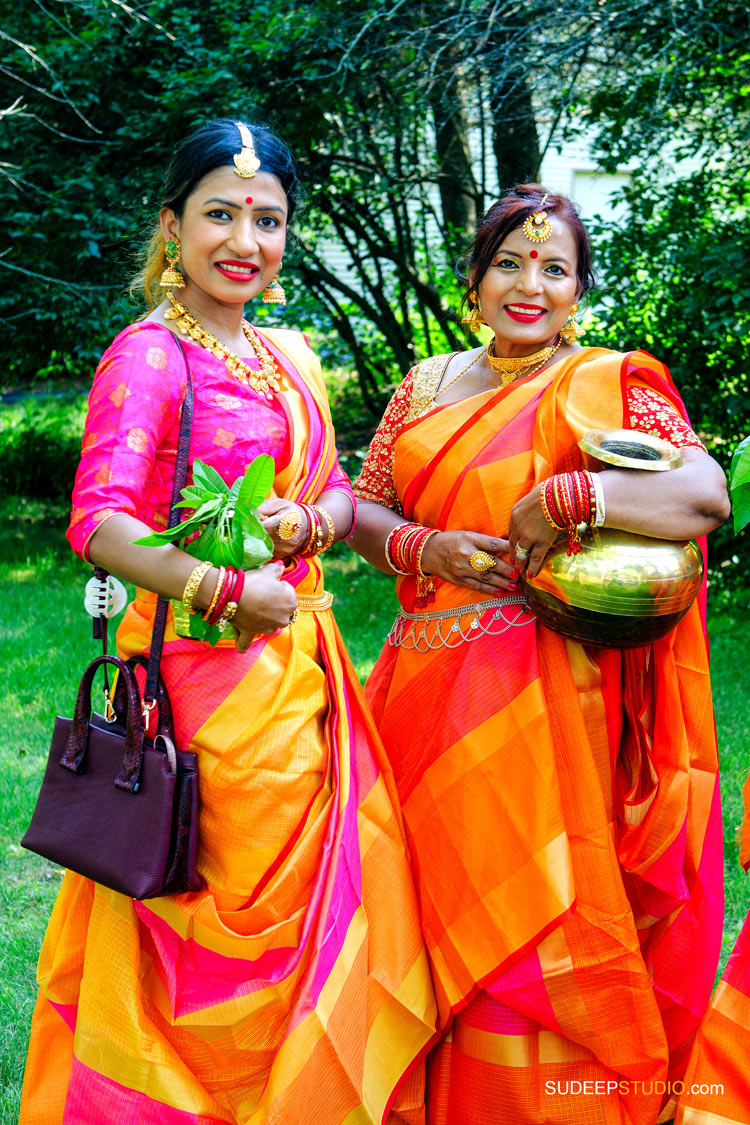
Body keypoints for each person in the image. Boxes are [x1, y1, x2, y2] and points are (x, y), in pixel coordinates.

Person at [20, 119, 437, 1125]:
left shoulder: (288, 352)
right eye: (219, 214)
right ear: (171, 229)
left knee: (323, 918)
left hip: (301, 673)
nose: (244, 239)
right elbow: (102, 524)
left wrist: (312, 519)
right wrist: (222, 590)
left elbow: (336, 489)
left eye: (268, 218)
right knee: (220, 910)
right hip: (206, 688)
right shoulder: (150, 356)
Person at [349, 185, 730, 1125]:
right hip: (421, 693)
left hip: (549, 701)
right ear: (474, 282)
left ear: (578, 290)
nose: (531, 284)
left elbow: (704, 493)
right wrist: (419, 547)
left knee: (536, 923)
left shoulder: (608, 384)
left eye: (554, 268)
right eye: (510, 264)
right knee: (419, 918)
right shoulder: (427, 385)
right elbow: (359, 504)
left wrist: (572, 500)